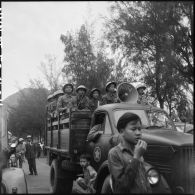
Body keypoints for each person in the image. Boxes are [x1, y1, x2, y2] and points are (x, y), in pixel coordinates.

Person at [108, 112, 152, 193]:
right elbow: (121, 187)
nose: (138, 133)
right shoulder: (114, 153)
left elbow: (143, 180)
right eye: (133, 129)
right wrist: (136, 157)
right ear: (122, 132)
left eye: (139, 129)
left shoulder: (138, 150)